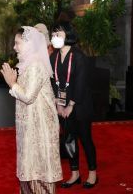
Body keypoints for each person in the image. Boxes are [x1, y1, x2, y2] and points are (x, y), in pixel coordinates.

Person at [1, 26, 62, 193]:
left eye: (17, 43)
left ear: (28, 43)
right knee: (30, 167)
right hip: (30, 126)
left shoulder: (35, 65)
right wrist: (14, 83)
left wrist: (12, 83)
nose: (14, 47)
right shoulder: (28, 64)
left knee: (38, 169)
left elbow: (28, 96)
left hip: (40, 127)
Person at [49, 21, 98, 189]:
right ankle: (75, 173)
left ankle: (92, 173)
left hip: (80, 105)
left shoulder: (78, 56)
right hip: (62, 106)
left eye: (58, 34)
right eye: (53, 35)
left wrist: (70, 105)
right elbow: (53, 82)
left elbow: (81, 83)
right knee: (69, 140)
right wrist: (58, 103)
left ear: (68, 35)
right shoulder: (53, 57)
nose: (55, 38)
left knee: (85, 139)